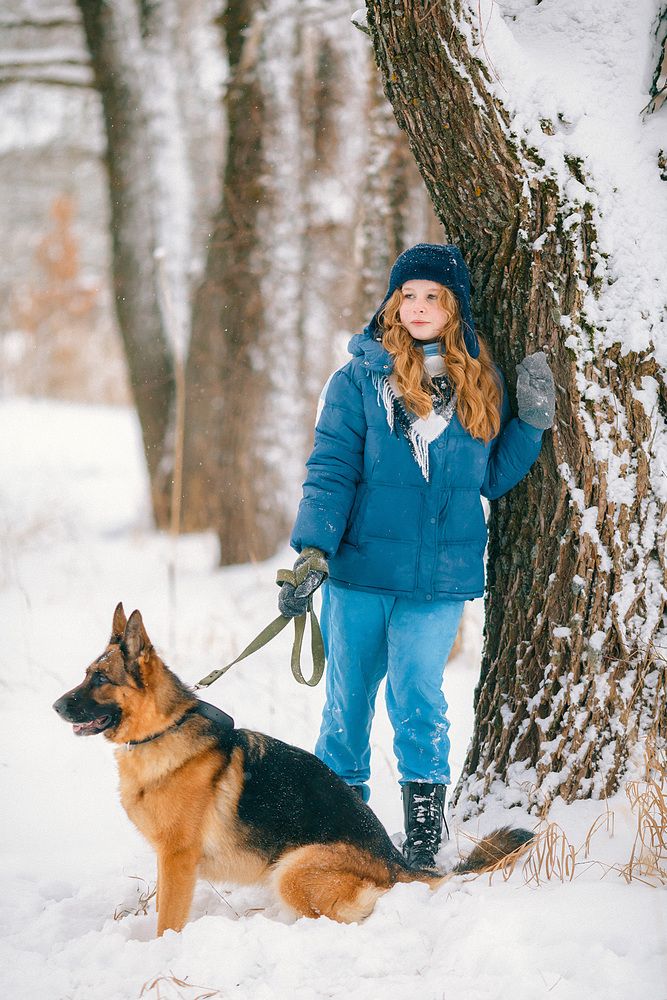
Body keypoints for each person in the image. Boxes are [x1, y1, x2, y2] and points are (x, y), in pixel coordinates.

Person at [278, 243, 555, 870]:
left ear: (455, 307)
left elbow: (489, 478)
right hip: (358, 573)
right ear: (392, 302)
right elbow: (331, 470)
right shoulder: (359, 380)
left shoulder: (478, 380)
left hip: (438, 580)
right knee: (347, 703)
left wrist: (532, 424)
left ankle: (423, 841)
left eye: (433, 296)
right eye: (409, 295)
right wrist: (313, 550)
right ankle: (337, 830)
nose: (419, 307)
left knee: (418, 698)